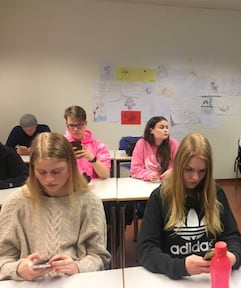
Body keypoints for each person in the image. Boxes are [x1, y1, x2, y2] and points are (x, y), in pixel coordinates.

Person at [0, 132, 111, 281]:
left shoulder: (89, 202)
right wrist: (18, 269)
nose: (49, 179)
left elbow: (98, 256)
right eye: (41, 172)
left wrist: (78, 267)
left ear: (71, 167)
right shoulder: (16, 203)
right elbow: (3, 257)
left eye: (57, 171)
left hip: (75, 281)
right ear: (32, 170)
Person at [136, 133, 241, 280]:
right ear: (178, 165)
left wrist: (232, 257)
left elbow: (233, 238)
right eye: (188, 169)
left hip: (210, 279)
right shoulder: (160, 197)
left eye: (202, 171)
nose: (195, 178)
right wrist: (181, 267)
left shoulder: (216, 193)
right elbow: (146, 250)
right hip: (175, 279)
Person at [64, 105, 111, 180]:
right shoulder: (61, 145)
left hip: (94, 188)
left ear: (85, 123)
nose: (76, 129)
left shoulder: (99, 146)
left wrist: (92, 158)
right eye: (72, 125)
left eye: (79, 125)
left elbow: (105, 175)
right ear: (66, 124)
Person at [130, 116, 179, 182]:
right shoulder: (141, 143)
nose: (165, 130)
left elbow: (181, 165)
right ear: (151, 130)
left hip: (168, 183)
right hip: (147, 183)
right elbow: (134, 170)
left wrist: (173, 172)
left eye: (167, 127)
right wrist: (148, 175)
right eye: (161, 127)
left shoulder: (173, 143)